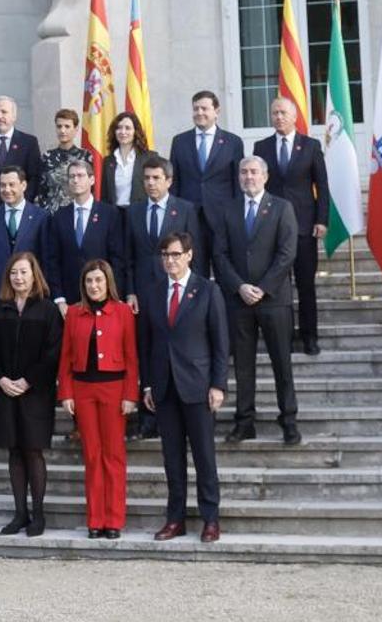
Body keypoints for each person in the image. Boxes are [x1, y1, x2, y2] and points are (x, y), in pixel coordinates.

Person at [138, 231, 229, 543]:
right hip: (164, 387)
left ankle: (211, 519)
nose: (170, 261)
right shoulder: (152, 292)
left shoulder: (207, 290)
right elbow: (146, 343)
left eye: (175, 255)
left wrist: (218, 384)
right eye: (165, 255)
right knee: (172, 459)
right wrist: (148, 385)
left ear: (189, 255)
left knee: (204, 456)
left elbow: (220, 343)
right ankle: (175, 519)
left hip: (198, 386)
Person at [210, 156, 301, 445]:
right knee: (244, 367)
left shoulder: (282, 208)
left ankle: (288, 420)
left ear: (265, 176)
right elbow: (219, 254)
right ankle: (244, 422)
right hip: (238, 301)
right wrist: (239, 286)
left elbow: (287, 253)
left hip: (274, 300)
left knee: (281, 365)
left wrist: (262, 288)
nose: (248, 177)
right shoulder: (227, 209)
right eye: (243, 172)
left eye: (253, 172)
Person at [0, 252, 63, 537]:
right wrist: (1, 379)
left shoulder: (47, 310)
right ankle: (20, 514)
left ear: (34, 275)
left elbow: (53, 353)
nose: (18, 278)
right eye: (13, 273)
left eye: (23, 272)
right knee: (14, 451)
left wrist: (28, 381)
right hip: (4, 391)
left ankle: (38, 515)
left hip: (35, 393)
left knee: (32, 450)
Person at [123, 155, 202, 439]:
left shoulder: (185, 209)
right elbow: (128, 257)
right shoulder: (133, 211)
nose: (151, 183)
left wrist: (195, 292)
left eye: (156, 178)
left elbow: (197, 254)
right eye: (146, 178)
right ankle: (148, 417)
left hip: (178, 293)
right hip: (144, 295)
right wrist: (130, 290)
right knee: (147, 350)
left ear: (169, 180)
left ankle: (179, 411)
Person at [57, 260, 137, 540]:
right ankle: (96, 519)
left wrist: (130, 395)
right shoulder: (74, 314)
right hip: (83, 390)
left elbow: (131, 357)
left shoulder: (123, 312)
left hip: (114, 390)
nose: (94, 285)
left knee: (113, 455)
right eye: (89, 281)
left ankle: (114, 519)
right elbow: (65, 356)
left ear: (108, 283)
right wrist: (65, 392)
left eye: (99, 280)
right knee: (92, 456)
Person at [252, 97, 329, 356]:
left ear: (294, 116)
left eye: (283, 112)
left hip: (304, 227)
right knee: (276, 286)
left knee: (305, 284)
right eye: (274, 113)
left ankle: (310, 336)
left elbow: (323, 186)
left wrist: (322, 220)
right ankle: (283, 337)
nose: (279, 117)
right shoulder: (261, 147)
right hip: (271, 228)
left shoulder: (310, 145)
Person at [168, 90, 244, 270]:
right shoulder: (179, 141)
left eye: (204, 108)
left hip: (222, 219)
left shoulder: (233, 142)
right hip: (189, 219)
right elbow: (174, 182)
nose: (199, 113)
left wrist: (236, 217)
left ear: (217, 111)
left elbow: (237, 183)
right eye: (195, 109)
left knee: (224, 272)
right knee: (194, 274)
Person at [46, 159, 125, 317]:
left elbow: (117, 258)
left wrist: (113, 294)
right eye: (72, 176)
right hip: (69, 301)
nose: (75, 180)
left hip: (102, 296)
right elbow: (52, 260)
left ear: (92, 179)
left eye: (80, 175)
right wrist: (59, 298)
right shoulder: (59, 216)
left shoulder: (109, 214)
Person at [0, 165, 49, 316]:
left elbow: (46, 260)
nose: (6, 189)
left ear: (23, 185)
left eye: (11, 184)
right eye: (2, 185)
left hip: (31, 296)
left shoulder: (41, 217)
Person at [35, 108, 93, 214]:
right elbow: (41, 189)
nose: (62, 130)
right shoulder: (47, 156)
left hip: (77, 213)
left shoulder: (85, 156)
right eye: (59, 126)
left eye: (67, 126)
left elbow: (91, 188)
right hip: (51, 214)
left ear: (75, 129)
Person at [100, 111, 155, 208]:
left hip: (140, 214)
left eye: (128, 128)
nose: (123, 132)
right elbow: (105, 195)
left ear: (135, 132)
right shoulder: (108, 161)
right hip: (115, 215)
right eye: (119, 128)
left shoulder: (150, 158)